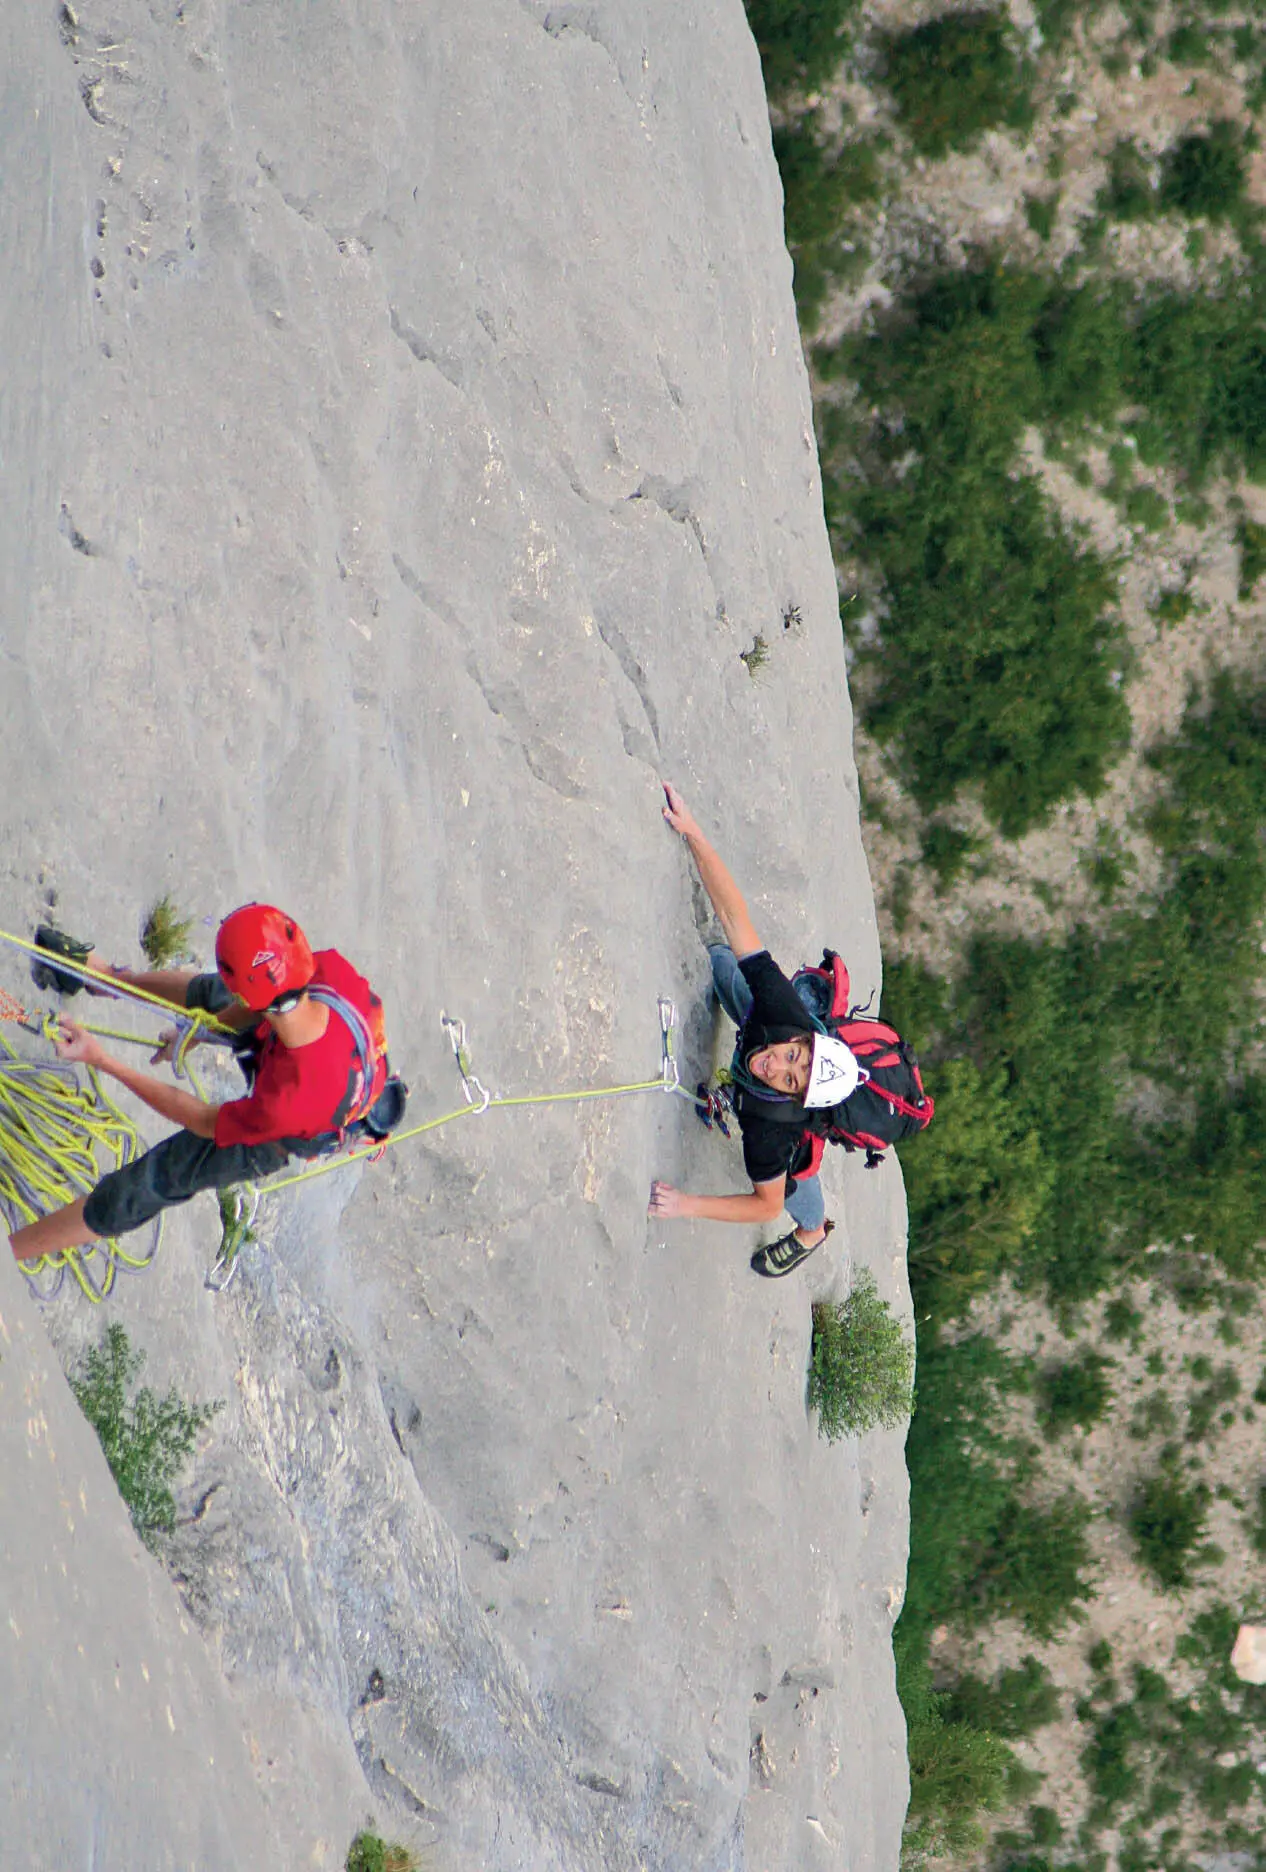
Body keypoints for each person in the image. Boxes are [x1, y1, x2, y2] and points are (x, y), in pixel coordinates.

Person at [8, 904, 396, 1263]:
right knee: (211, 995)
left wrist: (102, 1060)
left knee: (161, 1176)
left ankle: (11, 1254)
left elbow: (203, 1120)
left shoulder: (286, 1104)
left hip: (286, 1125)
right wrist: (203, 1031)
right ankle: (106, 979)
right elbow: (266, 1001)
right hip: (303, 1054)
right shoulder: (326, 971)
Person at [649, 783, 861, 1278]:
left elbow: (764, 1207)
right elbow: (733, 915)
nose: (780, 1065)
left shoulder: (774, 1127)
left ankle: (812, 1233)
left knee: (795, 1186)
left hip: (781, 1131)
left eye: (791, 1079)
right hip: (761, 1022)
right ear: (803, 1037)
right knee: (725, 962)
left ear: (794, 1096)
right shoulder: (783, 1013)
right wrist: (693, 832)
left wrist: (686, 1205)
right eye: (795, 1056)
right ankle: (738, 1066)